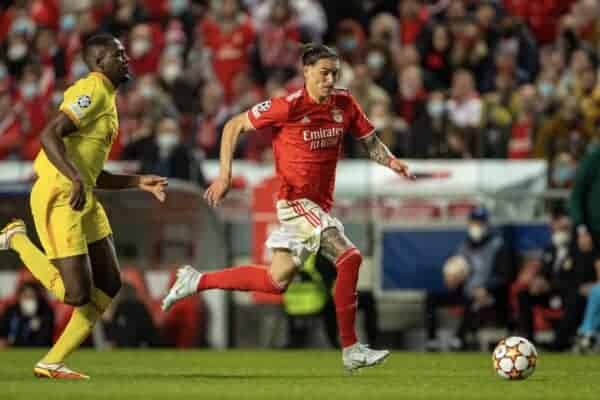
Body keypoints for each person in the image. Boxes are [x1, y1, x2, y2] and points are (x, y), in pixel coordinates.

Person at [162, 43, 414, 371]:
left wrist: (391, 161)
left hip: (317, 205)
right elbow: (233, 125)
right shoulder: (288, 106)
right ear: (306, 72)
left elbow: (369, 142)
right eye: (324, 73)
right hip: (296, 202)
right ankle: (351, 348)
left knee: (275, 281)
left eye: (334, 73)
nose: (329, 79)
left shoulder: (344, 103)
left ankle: (196, 280)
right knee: (349, 257)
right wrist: (225, 175)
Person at [0, 34, 168, 379]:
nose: (126, 59)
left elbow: (92, 171)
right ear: (99, 61)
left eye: (125, 54)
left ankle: (52, 362)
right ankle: (15, 238)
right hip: (61, 194)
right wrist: (75, 178)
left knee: (108, 284)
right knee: (77, 294)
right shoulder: (91, 91)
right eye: (118, 55)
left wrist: (139, 181)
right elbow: (49, 135)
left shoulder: (107, 97)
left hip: (82, 192)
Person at [424, 207, 512, 351]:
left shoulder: (498, 246)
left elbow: (505, 275)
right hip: (467, 290)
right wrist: (453, 279)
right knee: (431, 297)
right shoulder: (463, 247)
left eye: (480, 223)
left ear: (486, 224)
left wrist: (487, 288)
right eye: (474, 222)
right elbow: (457, 268)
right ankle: (432, 340)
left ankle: (459, 338)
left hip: (490, 294)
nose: (477, 226)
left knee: (474, 300)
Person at [0, 282, 55, 348]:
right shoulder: (11, 311)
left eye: (31, 297)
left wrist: (12, 343)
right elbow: (2, 331)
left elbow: (44, 340)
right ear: (19, 297)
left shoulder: (45, 312)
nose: (28, 300)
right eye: (25, 296)